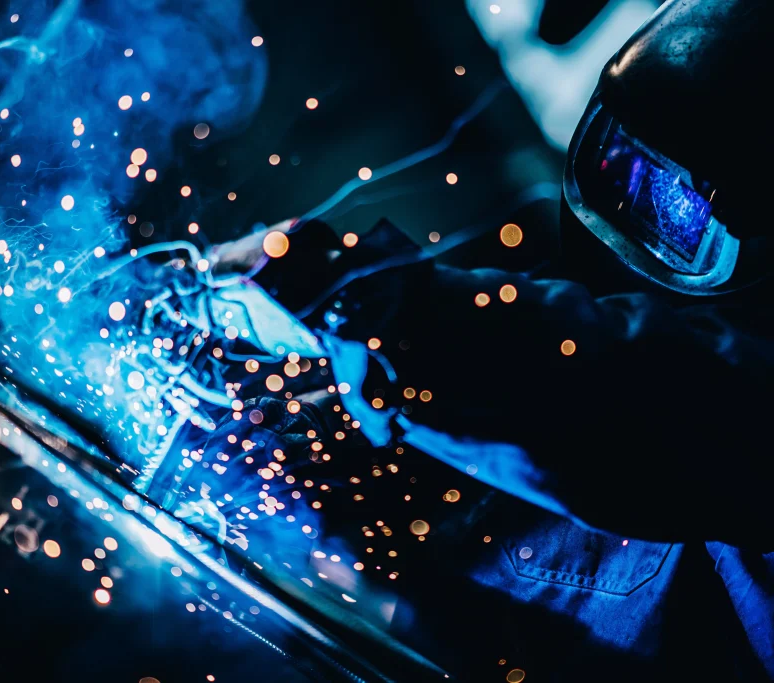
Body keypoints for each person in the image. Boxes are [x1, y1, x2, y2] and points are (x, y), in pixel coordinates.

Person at [203, 0, 773, 680]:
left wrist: (368, 306)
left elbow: (652, 390)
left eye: (686, 210)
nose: (644, 202)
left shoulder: (703, 412)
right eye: (620, 165)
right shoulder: (561, 336)